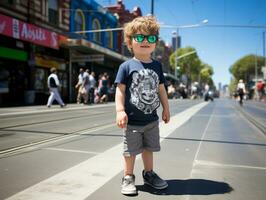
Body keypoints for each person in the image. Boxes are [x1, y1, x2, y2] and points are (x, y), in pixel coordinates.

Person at [115, 16, 170, 195]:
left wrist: (166, 109)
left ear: (155, 43)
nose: (145, 41)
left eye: (150, 38)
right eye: (140, 37)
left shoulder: (157, 66)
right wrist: (120, 110)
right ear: (130, 43)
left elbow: (161, 89)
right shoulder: (126, 66)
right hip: (132, 121)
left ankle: (149, 174)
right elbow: (120, 91)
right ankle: (128, 177)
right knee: (130, 151)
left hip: (151, 120)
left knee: (149, 149)